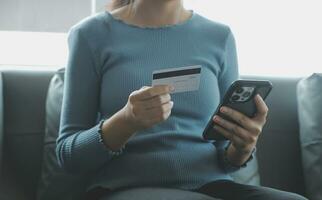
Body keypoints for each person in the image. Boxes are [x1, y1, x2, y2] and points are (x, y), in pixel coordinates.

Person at [56, 0, 307, 199]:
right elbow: (68, 156)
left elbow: (225, 158)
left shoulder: (219, 37)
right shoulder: (90, 35)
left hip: (211, 188)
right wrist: (126, 121)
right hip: (121, 187)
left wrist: (242, 146)